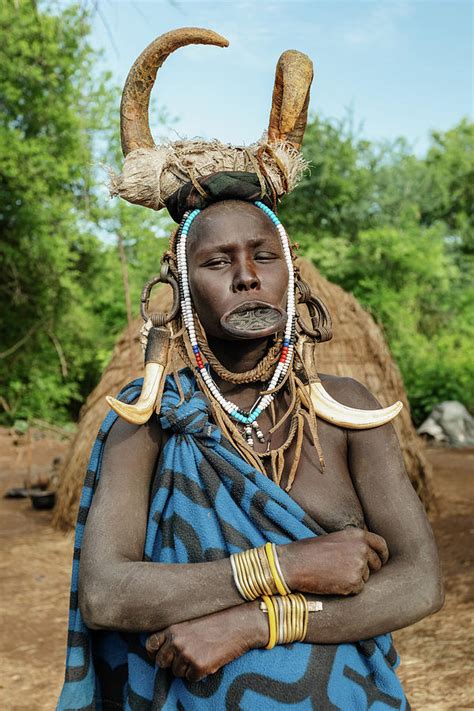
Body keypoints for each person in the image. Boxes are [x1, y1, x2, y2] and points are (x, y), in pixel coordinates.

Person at [57, 28, 443, 711]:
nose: (245, 277)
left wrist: (258, 619)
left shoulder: (345, 410)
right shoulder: (146, 419)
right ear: (176, 289)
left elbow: (418, 581)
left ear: (290, 275)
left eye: (263, 257)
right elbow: (109, 592)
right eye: (216, 262)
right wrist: (287, 566)